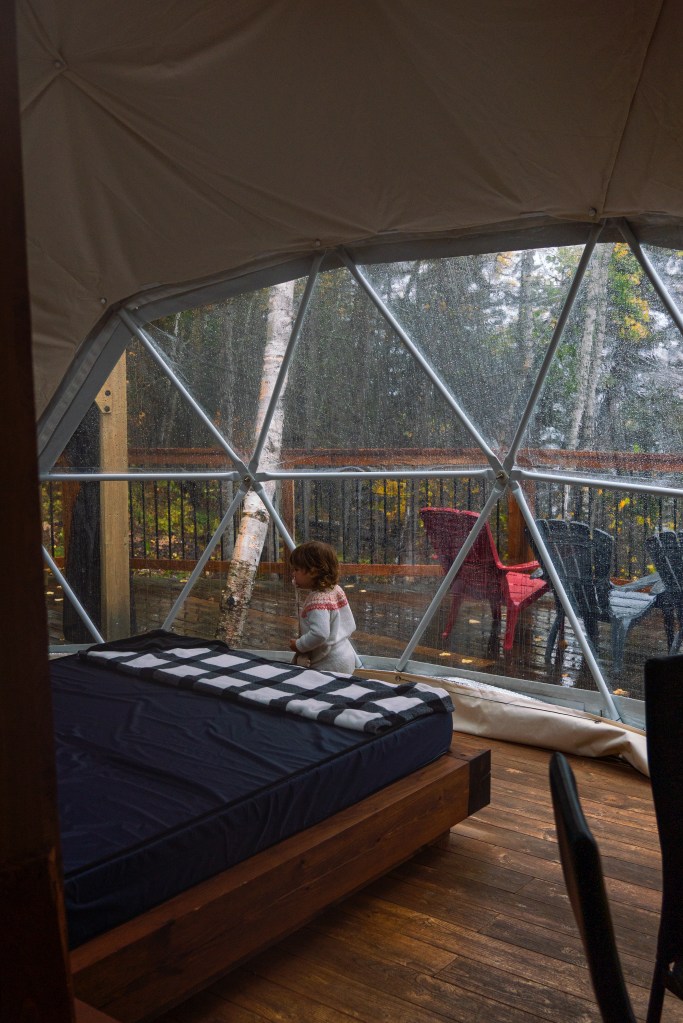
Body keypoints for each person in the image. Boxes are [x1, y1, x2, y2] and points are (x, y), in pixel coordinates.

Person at [289, 541, 357, 673]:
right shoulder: (335, 590)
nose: (293, 574)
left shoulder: (317, 601)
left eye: (296, 569)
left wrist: (299, 645)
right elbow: (347, 621)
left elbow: (320, 634)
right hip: (345, 655)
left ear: (313, 572)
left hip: (328, 664)